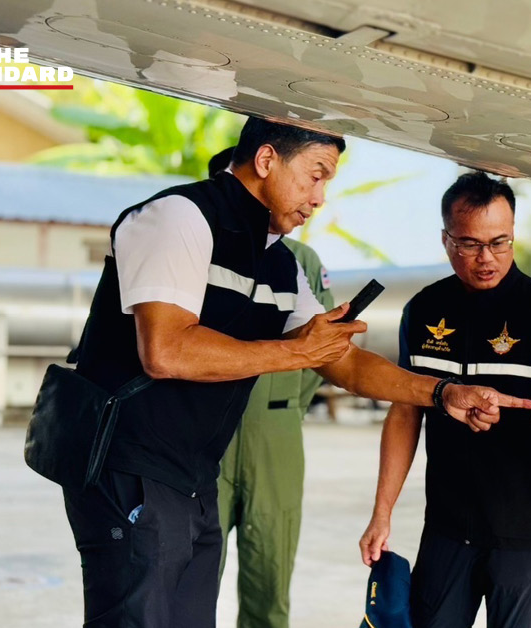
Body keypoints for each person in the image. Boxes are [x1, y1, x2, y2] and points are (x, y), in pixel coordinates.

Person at [63, 120, 531, 627]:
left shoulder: (280, 264)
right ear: (266, 161)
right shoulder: (178, 218)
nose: (319, 198)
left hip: (193, 480)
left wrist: (443, 393)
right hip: (130, 470)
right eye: (315, 176)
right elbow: (166, 350)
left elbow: (344, 362)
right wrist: (296, 353)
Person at [359, 171, 531, 628]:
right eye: (469, 244)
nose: (487, 258)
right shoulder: (422, 310)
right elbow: (405, 411)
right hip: (447, 527)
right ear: (446, 240)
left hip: (526, 532)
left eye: (500, 242)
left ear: (514, 235)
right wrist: (381, 515)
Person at [209, 146, 334, 628]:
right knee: (191, 575)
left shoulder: (298, 259)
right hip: (207, 435)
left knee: (269, 575)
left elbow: (324, 353)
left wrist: (283, 405)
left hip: (274, 434)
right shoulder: (199, 245)